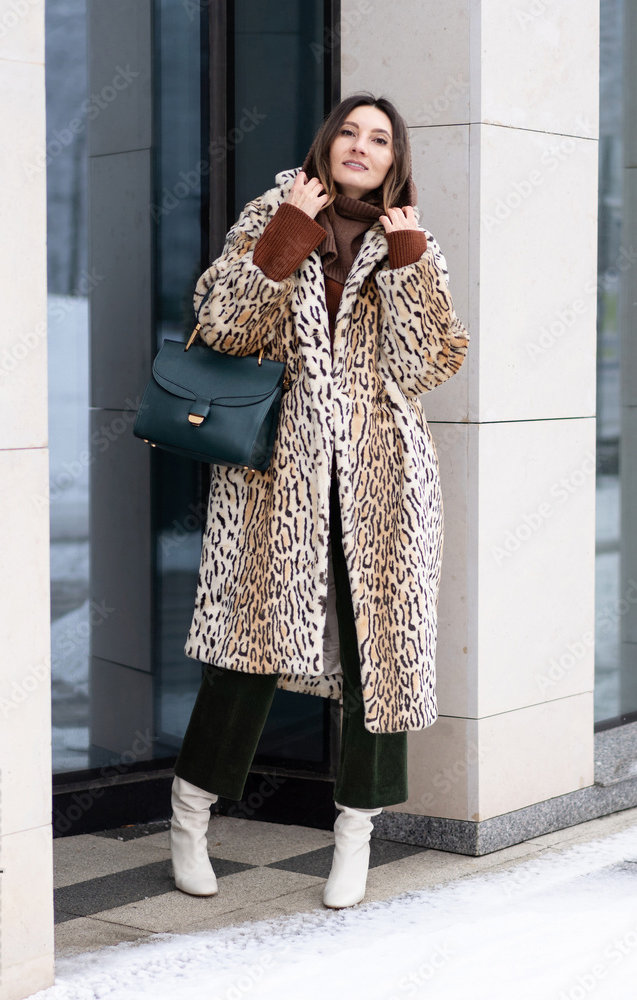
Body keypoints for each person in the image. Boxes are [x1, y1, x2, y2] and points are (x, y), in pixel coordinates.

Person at [169, 92, 469, 909]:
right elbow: (220, 328)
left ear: (393, 158)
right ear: (327, 144)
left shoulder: (409, 239)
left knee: (383, 656)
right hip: (277, 477)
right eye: (350, 132)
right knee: (246, 652)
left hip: (385, 483)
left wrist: (407, 261)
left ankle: (355, 835)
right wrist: (283, 243)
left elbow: (428, 364)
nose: (362, 147)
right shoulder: (272, 214)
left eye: (380, 138)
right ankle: (189, 815)